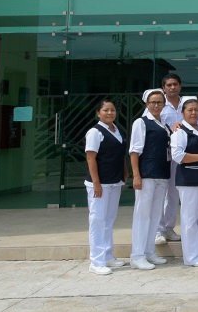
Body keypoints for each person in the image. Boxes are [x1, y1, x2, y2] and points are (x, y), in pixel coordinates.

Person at [129, 89, 171, 271]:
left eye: (159, 102)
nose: (156, 105)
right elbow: (134, 151)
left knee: (155, 215)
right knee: (142, 215)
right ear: (147, 104)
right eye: (153, 102)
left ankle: (149, 251)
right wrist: (136, 175)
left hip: (162, 174)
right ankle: (137, 255)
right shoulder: (141, 122)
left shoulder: (163, 123)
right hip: (147, 175)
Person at [170, 98, 198, 267]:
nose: (194, 113)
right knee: (190, 219)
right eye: (190, 110)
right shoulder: (180, 132)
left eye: (196, 110)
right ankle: (190, 257)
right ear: (183, 113)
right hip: (188, 180)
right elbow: (178, 156)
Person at [84, 99, 126, 275]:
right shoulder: (95, 132)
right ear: (98, 113)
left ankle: (108, 256)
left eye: (113, 110)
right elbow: (91, 158)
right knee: (98, 221)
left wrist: (124, 173)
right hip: (100, 184)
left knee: (108, 220)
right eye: (106, 110)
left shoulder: (116, 130)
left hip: (114, 182)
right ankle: (96, 261)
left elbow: (120, 154)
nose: (110, 113)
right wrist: (96, 184)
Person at [156, 73, 185, 244]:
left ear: (180, 86)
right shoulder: (158, 105)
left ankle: (169, 227)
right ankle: (158, 230)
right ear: (164, 88)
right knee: (162, 193)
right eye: (169, 85)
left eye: (175, 84)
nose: (172, 87)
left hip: (181, 155)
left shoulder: (186, 104)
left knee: (174, 194)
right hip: (163, 155)